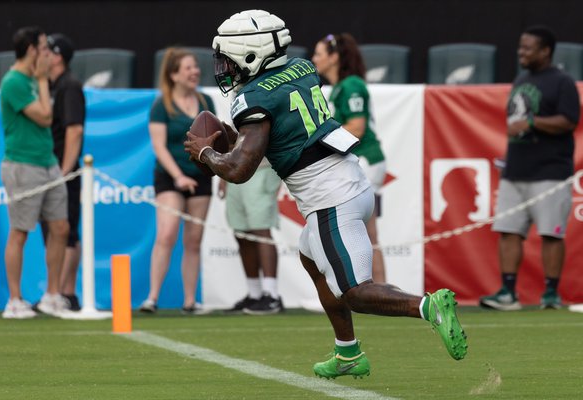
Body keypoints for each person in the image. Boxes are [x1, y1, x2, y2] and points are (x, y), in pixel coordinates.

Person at [185, 9, 467, 378]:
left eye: (228, 58)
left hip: (331, 200)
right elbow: (276, 134)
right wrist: (233, 138)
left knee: (355, 291)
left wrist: (206, 152)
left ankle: (429, 307)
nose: (224, 68)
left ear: (250, 53)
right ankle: (348, 354)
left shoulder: (252, 98)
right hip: (349, 182)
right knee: (311, 258)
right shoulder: (301, 68)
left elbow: (240, 169)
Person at [480, 26, 580, 311]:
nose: (521, 53)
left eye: (527, 48)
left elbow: (569, 121)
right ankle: (508, 293)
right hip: (515, 171)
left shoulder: (562, 82)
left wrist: (533, 123)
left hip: (550, 170)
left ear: (545, 50)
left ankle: (550, 294)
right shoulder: (521, 79)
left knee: (551, 233)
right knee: (508, 231)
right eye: (520, 47)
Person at [0, 26, 70, 318]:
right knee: (20, 233)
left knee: (60, 228)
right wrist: (42, 79)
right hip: (22, 164)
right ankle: (14, 300)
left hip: (48, 162)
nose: (48, 54)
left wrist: (41, 79)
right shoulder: (15, 81)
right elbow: (44, 117)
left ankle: (52, 295)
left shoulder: (32, 80)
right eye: (43, 48)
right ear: (31, 50)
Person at [139, 47, 215, 314]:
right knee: (167, 233)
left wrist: (224, 169)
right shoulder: (162, 105)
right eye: (188, 68)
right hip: (170, 178)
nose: (195, 72)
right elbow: (159, 147)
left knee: (194, 240)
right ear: (173, 75)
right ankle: (152, 297)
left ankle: (189, 301)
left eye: (195, 67)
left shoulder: (206, 102)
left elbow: (217, 141)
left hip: (202, 177)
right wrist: (178, 176)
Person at [312, 33, 387, 283]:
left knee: (365, 233)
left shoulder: (352, 85)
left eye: (319, 54)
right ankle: (378, 289)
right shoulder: (339, 89)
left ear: (334, 58)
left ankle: (376, 290)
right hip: (358, 160)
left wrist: (317, 144)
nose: (314, 60)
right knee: (367, 232)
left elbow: (356, 127)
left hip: (365, 159)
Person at [39, 33, 85, 311]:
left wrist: (65, 171)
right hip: (50, 169)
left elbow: (74, 130)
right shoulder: (48, 85)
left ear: (57, 56)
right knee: (55, 232)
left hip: (62, 171)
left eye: (48, 51)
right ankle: (61, 293)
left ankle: (65, 293)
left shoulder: (69, 86)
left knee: (65, 231)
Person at [219, 158, 284, 315]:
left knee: (261, 231)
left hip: (261, 169)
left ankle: (271, 295)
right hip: (234, 170)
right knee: (241, 233)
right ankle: (254, 294)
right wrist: (223, 176)